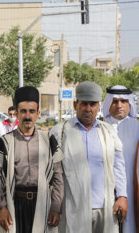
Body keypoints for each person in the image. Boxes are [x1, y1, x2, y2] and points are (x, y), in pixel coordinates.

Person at [51, 81, 128, 233]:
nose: (88, 108)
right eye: (84, 104)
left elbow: (118, 166)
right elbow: (53, 173)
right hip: (72, 207)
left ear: (98, 106)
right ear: (75, 105)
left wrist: (122, 196)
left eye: (92, 104)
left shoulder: (108, 132)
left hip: (104, 207)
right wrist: (54, 206)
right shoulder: (60, 132)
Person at [0, 86, 64, 233]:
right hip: (14, 204)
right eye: (23, 111)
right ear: (16, 113)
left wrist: (56, 207)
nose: (27, 116)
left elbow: (58, 176)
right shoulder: (5, 142)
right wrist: (1, 207)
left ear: (38, 113)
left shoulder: (49, 140)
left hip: (43, 204)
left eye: (32, 111)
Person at [103, 85, 139, 233]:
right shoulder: (100, 127)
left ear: (130, 103)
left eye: (124, 101)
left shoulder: (137, 128)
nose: (119, 105)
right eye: (115, 101)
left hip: (133, 191)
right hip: (105, 192)